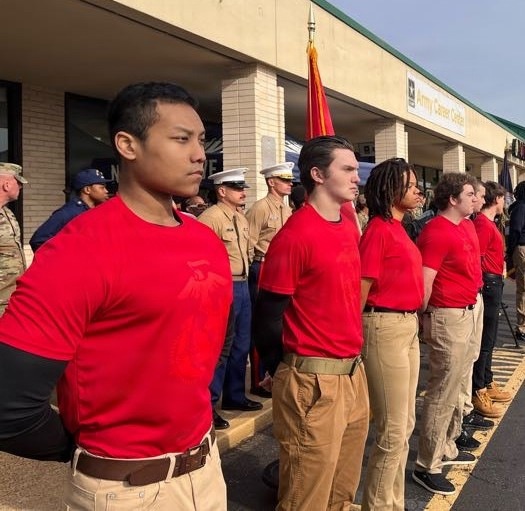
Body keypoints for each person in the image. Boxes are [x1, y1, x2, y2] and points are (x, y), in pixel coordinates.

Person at [0, 82, 233, 511]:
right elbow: (8, 407)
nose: (200, 153)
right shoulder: (79, 250)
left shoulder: (205, 240)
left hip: (206, 468)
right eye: (181, 139)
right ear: (127, 144)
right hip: (125, 489)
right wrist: (86, 447)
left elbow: (210, 342)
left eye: (201, 140)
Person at [254, 135, 369, 510]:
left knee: (341, 487)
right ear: (317, 174)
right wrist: (280, 369)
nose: (356, 177)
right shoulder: (296, 235)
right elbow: (268, 314)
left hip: (353, 372)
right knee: (307, 493)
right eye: (348, 169)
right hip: (314, 379)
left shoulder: (346, 227)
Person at [359, 158, 423, 511]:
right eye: (410, 184)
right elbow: (361, 288)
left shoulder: (399, 227)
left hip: (405, 326)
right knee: (392, 430)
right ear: (389, 189)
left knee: (405, 424)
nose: (417, 190)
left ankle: (393, 503)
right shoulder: (379, 230)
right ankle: (380, 506)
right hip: (383, 327)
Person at [413, 172, 481, 496]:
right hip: (447, 316)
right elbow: (424, 283)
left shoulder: (464, 226)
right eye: (469, 193)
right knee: (441, 391)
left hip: (466, 311)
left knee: (457, 385)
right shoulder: (437, 231)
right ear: (452, 199)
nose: (474, 197)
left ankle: (447, 445)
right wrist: (423, 319)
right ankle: (427, 464)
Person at [199, 168, 262, 431]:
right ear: (222, 191)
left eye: (243, 188)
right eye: (237, 189)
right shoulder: (210, 218)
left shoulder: (240, 218)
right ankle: (209, 405)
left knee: (241, 344)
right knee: (219, 349)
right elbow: (202, 257)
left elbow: (247, 250)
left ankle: (234, 395)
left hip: (242, 284)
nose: (243, 192)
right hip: (223, 286)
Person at [245, 162, 294, 398]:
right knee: (263, 323)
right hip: (263, 265)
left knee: (280, 325)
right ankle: (258, 379)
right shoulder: (261, 208)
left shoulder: (287, 209)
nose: (290, 184)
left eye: (290, 180)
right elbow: (249, 239)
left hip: (281, 268)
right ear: (271, 182)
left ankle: (274, 374)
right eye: (284, 180)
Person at [472, 182, 510, 414]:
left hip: (493, 280)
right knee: (485, 339)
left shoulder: (488, 224)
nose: (504, 203)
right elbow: (478, 257)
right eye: (503, 199)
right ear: (496, 199)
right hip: (488, 283)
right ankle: (479, 389)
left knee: (490, 337)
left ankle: (486, 380)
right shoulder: (483, 225)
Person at [29, 168, 110, 251]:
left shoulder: (94, 211)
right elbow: (38, 240)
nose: (106, 191)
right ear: (87, 190)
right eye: (102, 187)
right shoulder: (69, 212)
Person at [0, 162, 27, 316]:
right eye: (19, 183)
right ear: (7, 184)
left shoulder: (8, 213)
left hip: (10, 300)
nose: (21, 187)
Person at [506, 181, 525, 342]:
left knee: (523, 289)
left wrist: (510, 251)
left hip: (521, 248)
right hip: (522, 248)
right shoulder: (521, 207)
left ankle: (522, 326)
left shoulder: (519, 208)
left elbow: (515, 230)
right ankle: (522, 326)